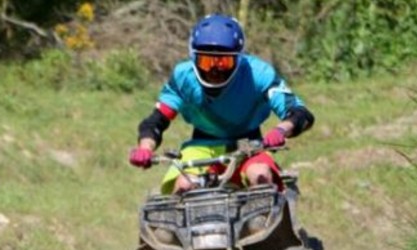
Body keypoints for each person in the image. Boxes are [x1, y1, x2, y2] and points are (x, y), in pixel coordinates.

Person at [128, 14, 315, 195]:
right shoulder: (183, 77)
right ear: (193, 57)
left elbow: (300, 114)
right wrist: (145, 148)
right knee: (184, 185)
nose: (215, 70)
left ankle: (265, 224)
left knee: (260, 176)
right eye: (207, 61)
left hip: (250, 146)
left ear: (239, 58)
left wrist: (282, 130)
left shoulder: (258, 74)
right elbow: (155, 122)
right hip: (201, 146)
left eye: (223, 62)